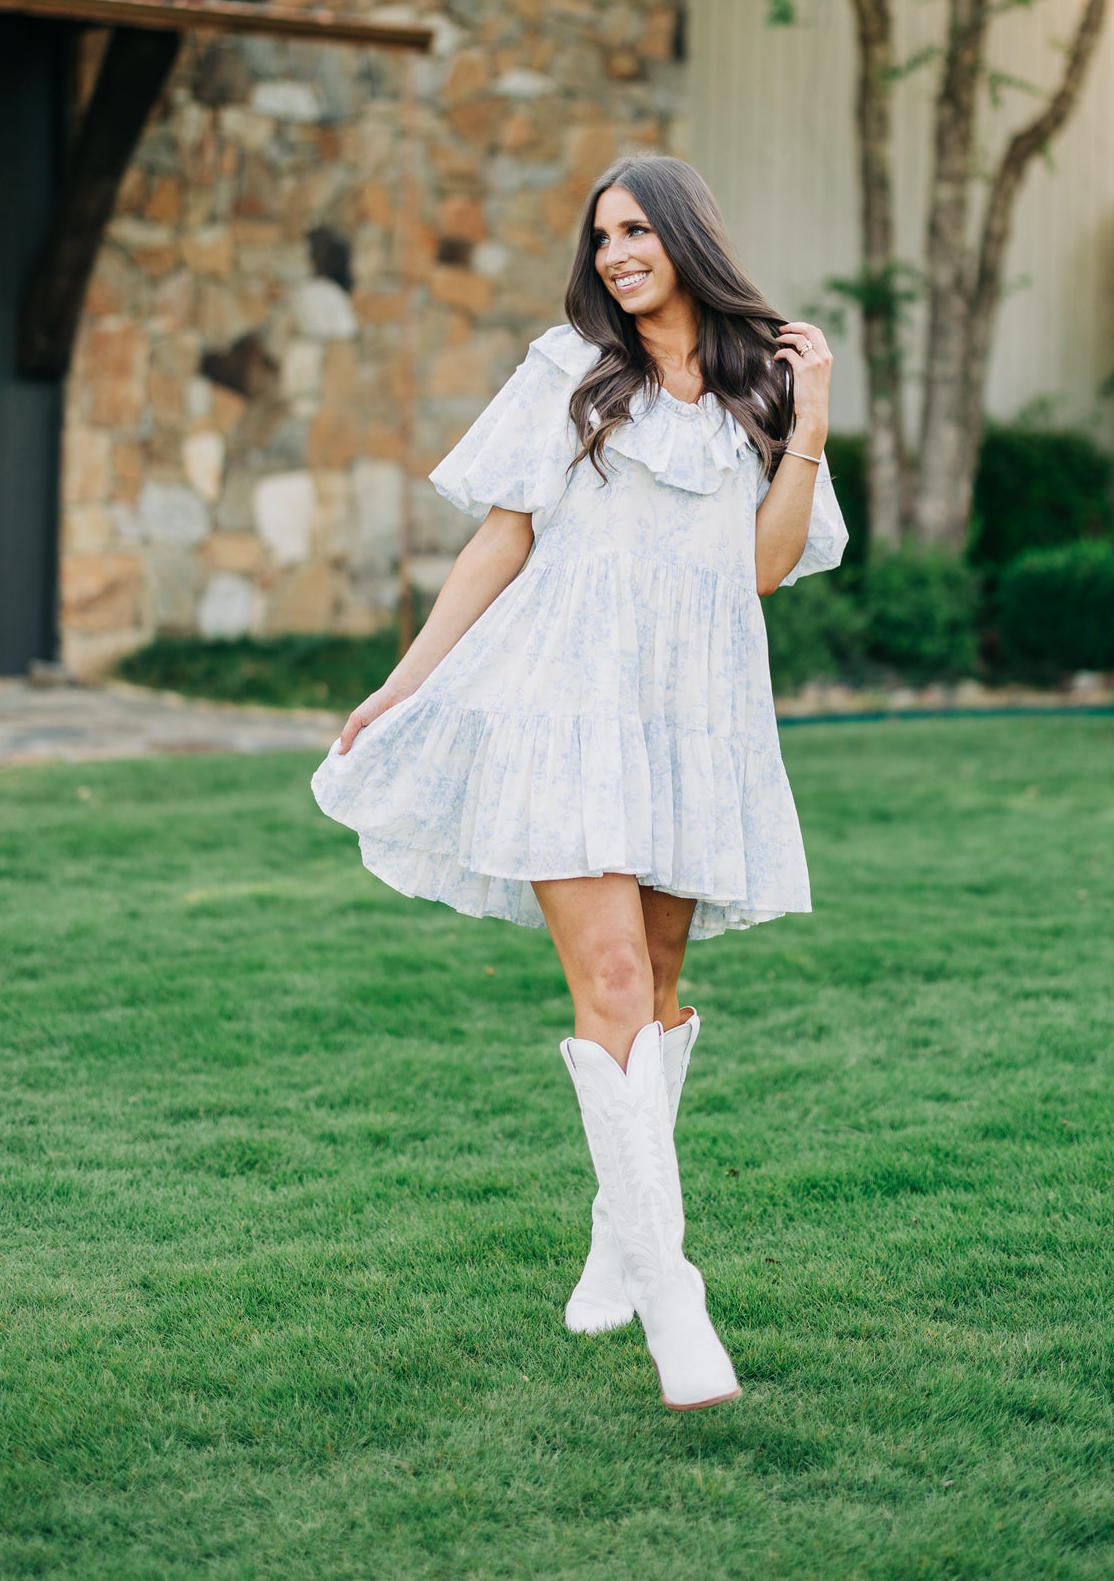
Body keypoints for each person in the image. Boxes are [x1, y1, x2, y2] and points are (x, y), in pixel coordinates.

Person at [313, 155, 845, 1411]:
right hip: (563, 699)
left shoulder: (755, 387)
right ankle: (675, 1297)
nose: (614, 252)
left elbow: (761, 569)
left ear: (686, 237)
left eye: (636, 229)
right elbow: (503, 534)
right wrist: (403, 678)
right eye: (601, 235)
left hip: (693, 712)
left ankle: (618, 1240)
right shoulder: (568, 368)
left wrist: (809, 416)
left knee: (657, 988)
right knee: (606, 981)